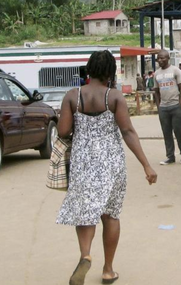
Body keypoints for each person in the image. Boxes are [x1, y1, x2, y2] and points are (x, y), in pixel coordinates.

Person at [56, 50, 157, 285]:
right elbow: (128, 132)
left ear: (89, 69)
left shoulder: (73, 96)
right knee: (110, 215)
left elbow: (62, 132)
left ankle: (85, 255)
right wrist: (146, 165)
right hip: (111, 163)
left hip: (83, 162)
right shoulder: (114, 97)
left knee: (85, 211)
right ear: (111, 72)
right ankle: (108, 270)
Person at [153, 50, 181, 165]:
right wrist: (159, 106)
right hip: (164, 108)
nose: (160, 60)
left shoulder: (175, 70)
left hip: (175, 106)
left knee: (178, 131)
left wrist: (180, 104)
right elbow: (156, 91)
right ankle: (170, 157)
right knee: (166, 133)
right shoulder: (156, 74)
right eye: (158, 58)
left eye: (162, 58)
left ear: (168, 58)